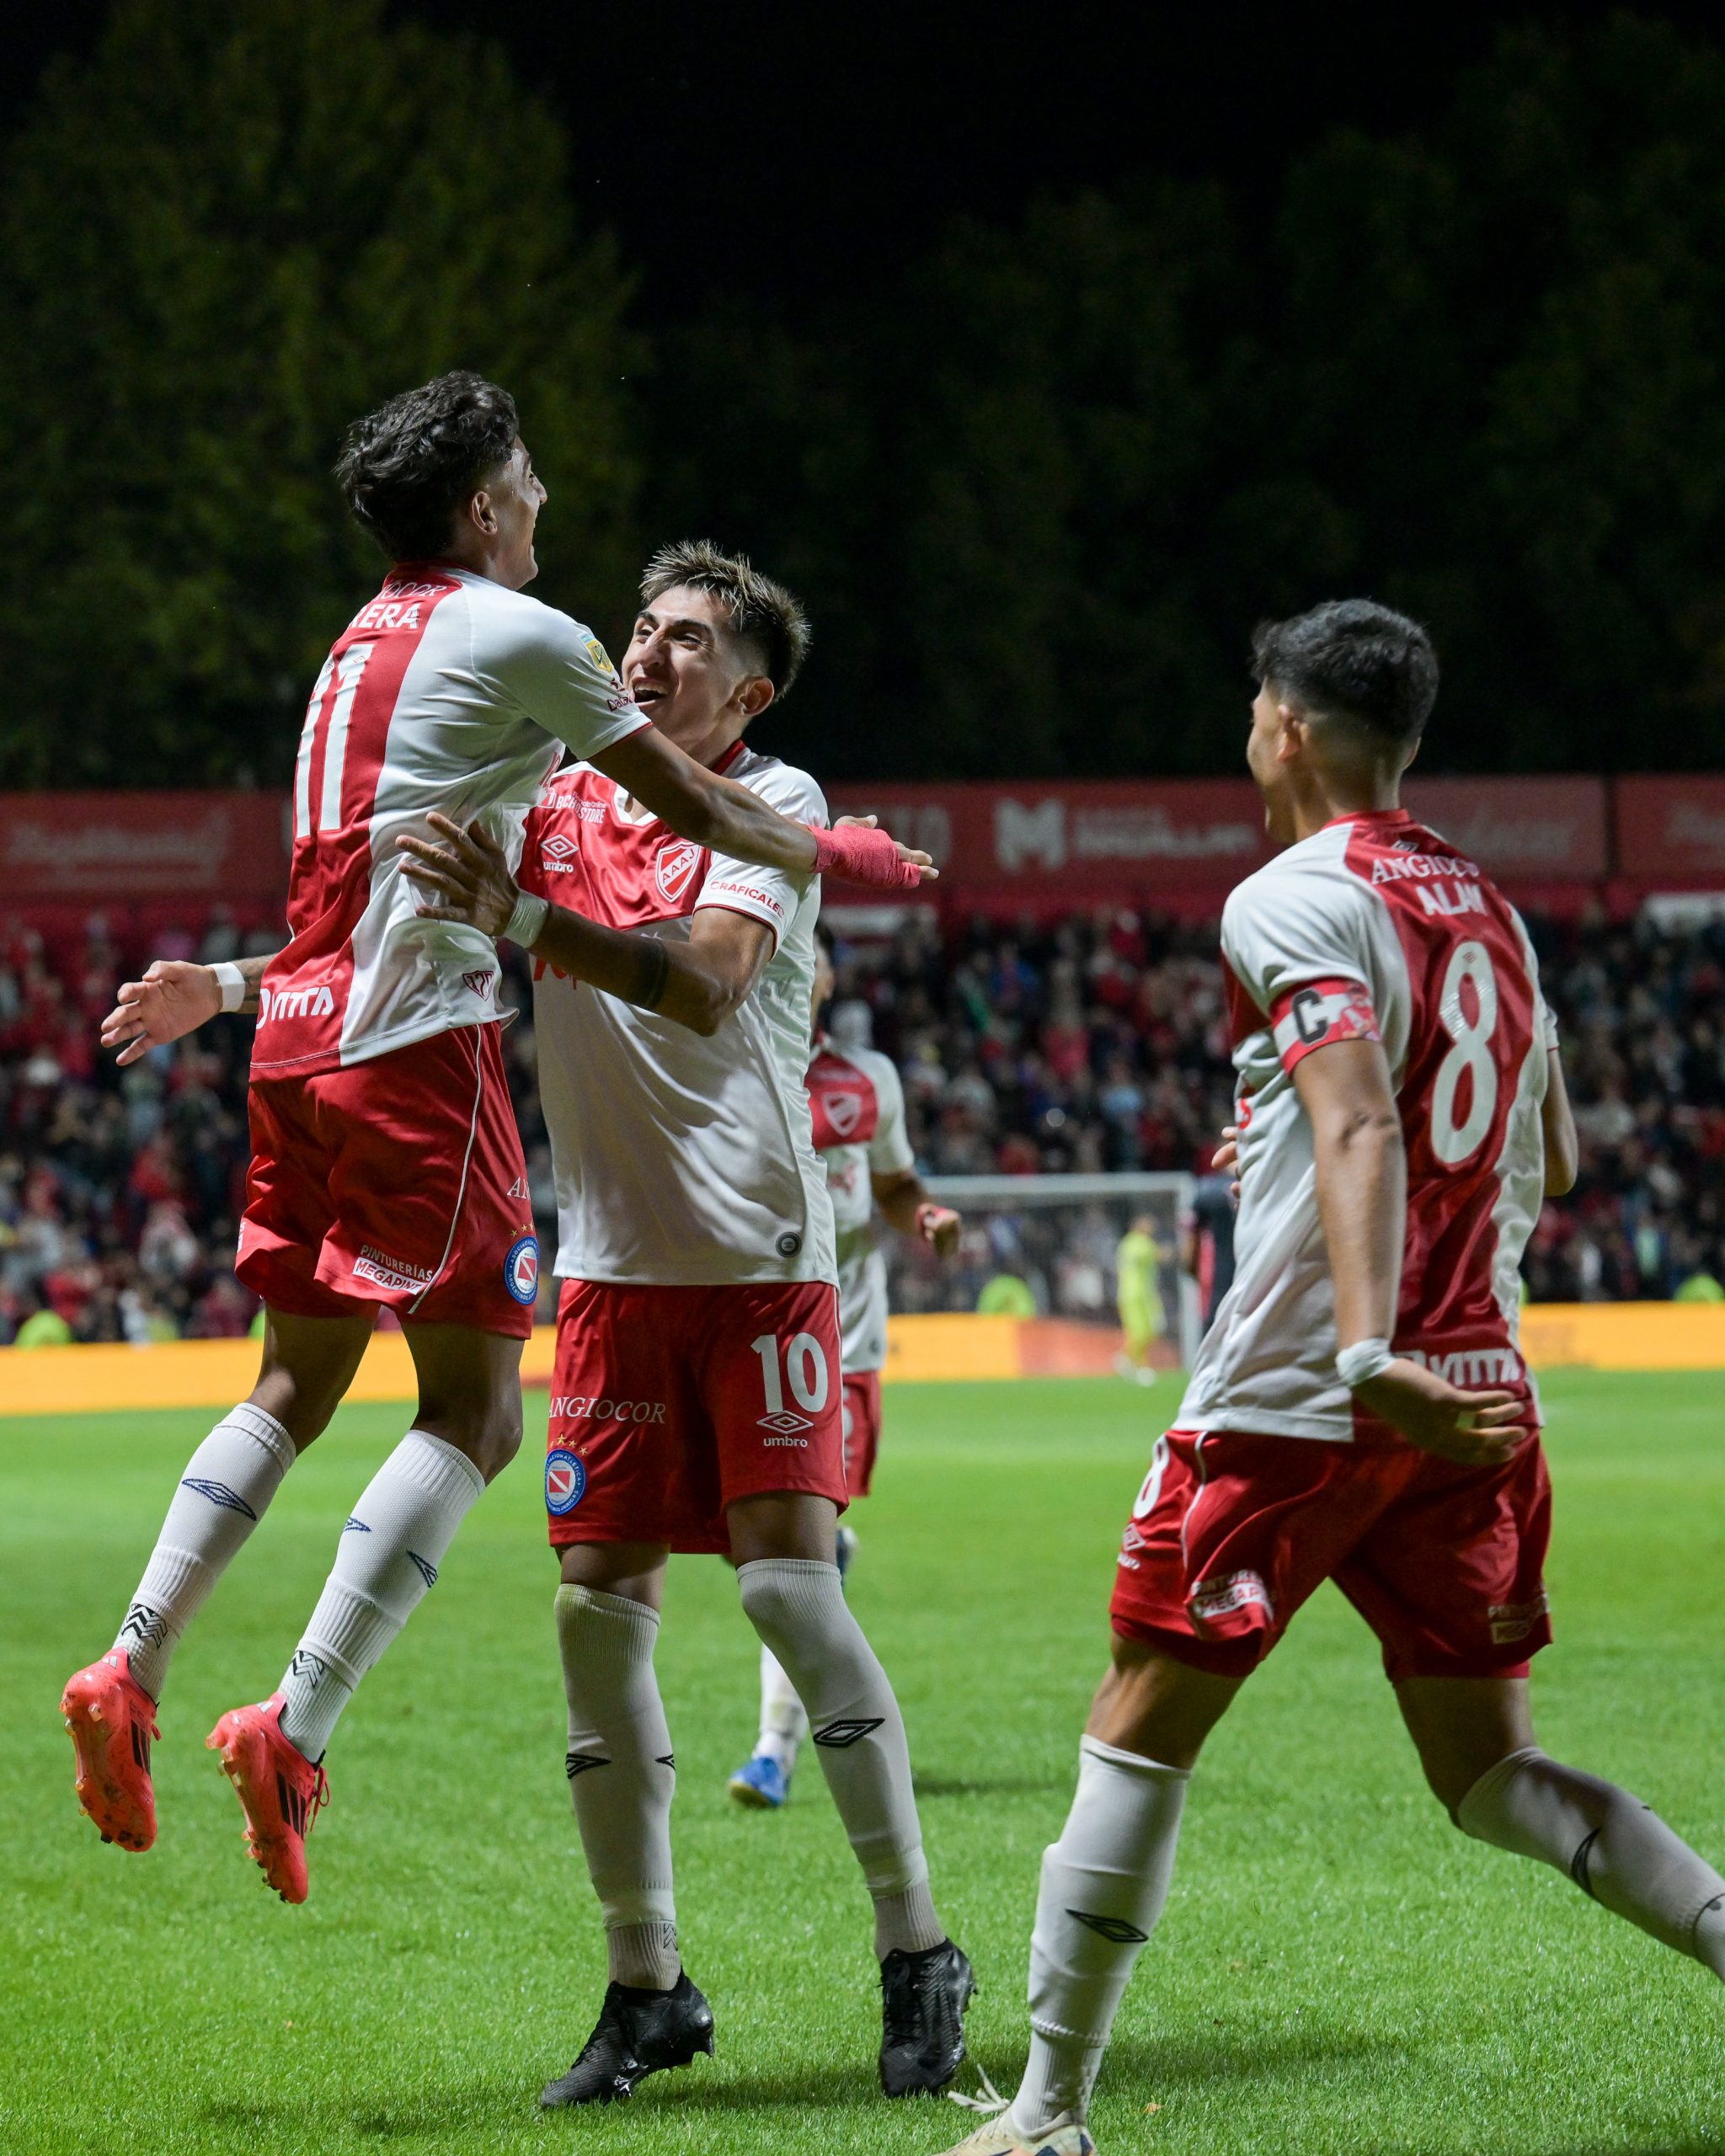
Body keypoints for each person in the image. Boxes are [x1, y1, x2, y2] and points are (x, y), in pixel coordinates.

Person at [62, 372, 930, 1906]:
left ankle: (132, 1662)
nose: (544, 506)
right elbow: (702, 813)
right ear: (480, 506)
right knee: (472, 1412)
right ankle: (296, 1723)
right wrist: (841, 851)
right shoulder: (530, 647)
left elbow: (376, 897)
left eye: (686, 637)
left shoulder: (356, 648)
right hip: (418, 1061)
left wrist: (231, 986)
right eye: (526, 481)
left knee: (296, 1377)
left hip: (300, 1040)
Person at [936, 600, 1725, 2156]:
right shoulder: (1488, 906)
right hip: (1478, 1398)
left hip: (1307, 1396)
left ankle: (1044, 2115)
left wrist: (1367, 1350)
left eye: (1253, 705)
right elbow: (1553, 1153)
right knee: (1489, 1776)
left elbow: (1359, 1116)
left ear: (1285, 729)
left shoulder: (1288, 894)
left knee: (1135, 1723)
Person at [399, 541, 975, 2106]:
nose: (647, 656)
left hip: (755, 1259)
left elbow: (712, 983)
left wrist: (525, 918)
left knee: (788, 1593)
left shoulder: (773, 805)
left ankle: (916, 1945)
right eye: (639, 630)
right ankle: (645, 1982)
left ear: (751, 693)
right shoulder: (558, 793)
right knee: (594, 1618)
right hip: (606, 1273)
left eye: (688, 642)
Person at [729, 925, 962, 1810]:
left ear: (823, 974)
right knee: (764, 1547)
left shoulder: (867, 1081)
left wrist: (924, 1215)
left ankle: (775, 1749)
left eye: (809, 948)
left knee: (795, 1553)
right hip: (741, 1330)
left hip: (842, 1344)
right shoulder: (722, 1065)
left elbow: (894, 1184)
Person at [1178, 1168, 1236, 1335]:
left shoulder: (1209, 1190)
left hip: (1219, 1283)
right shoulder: (1263, 1183)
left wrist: (1190, 1266)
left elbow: (1192, 1236)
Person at [1111, 1214, 1164, 1385]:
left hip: (1136, 1294)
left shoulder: (1126, 1243)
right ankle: (1136, 1363)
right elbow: (1158, 1255)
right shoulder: (1140, 1242)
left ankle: (1129, 1360)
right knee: (1140, 1331)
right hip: (1136, 1295)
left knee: (1148, 1331)